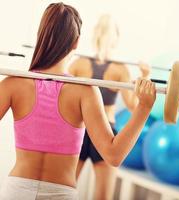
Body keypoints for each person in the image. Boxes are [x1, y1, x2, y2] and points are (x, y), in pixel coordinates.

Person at [0, 3, 156, 200]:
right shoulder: (86, 92)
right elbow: (114, 156)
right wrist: (144, 107)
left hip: (17, 191)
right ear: (76, 42)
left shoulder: (12, 84)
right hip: (60, 194)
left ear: (40, 36)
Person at [68, 14, 150, 200]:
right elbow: (133, 106)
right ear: (116, 38)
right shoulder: (119, 69)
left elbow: (61, 95)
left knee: (64, 192)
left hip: (84, 132)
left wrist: (145, 75)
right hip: (102, 133)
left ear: (95, 34)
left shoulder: (78, 64)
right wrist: (145, 76)